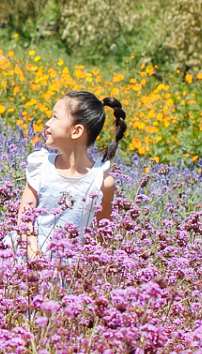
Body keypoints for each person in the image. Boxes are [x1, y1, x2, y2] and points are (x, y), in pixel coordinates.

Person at [12, 90, 125, 257]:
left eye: (55, 117)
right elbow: (25, 218)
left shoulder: (101, 182)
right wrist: (35, 257)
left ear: (76, 131)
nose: (47, 123)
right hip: (26, 257)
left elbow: (103, 235)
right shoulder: (41, 166)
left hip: (67, 269)